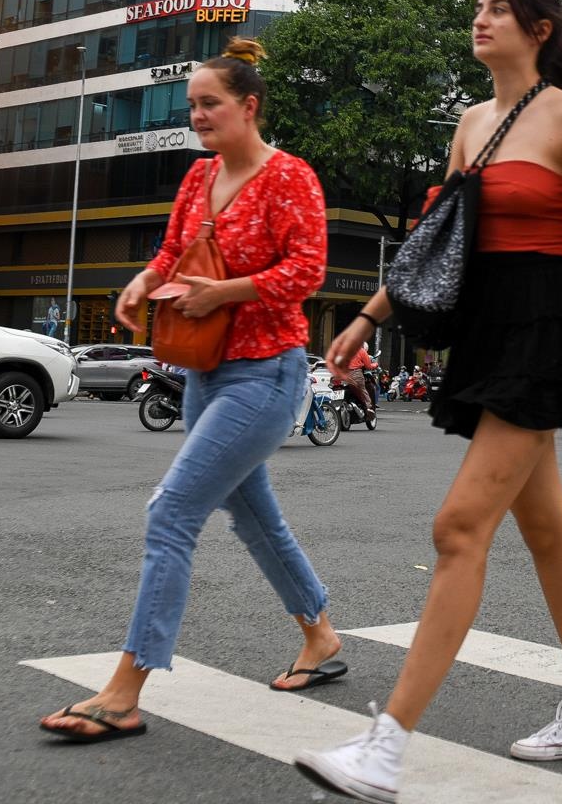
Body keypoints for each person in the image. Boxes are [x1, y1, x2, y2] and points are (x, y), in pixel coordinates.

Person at [296, 0, 562, 801]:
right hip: (488, 334)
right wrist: (365, 318)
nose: (480, 20)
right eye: (478, 9)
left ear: (536, 28)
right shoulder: (471, 124)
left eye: (497, 9)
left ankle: (385, 748)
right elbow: (435, 239)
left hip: (544, 330)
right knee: (548, 534)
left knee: (459, 526)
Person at [38, 39, 343, 743]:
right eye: (193, 107)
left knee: (171, 511)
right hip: (204, 374)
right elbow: (175, 253)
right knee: (254, 518)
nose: (199, 117)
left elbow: (308, 271)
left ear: (249, 106)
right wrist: (145, 282)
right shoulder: (197, 179)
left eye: (211, 104)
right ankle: (321, 635)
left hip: (268, 373)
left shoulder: (289, 177)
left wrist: (225, 293)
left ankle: (124, 690)